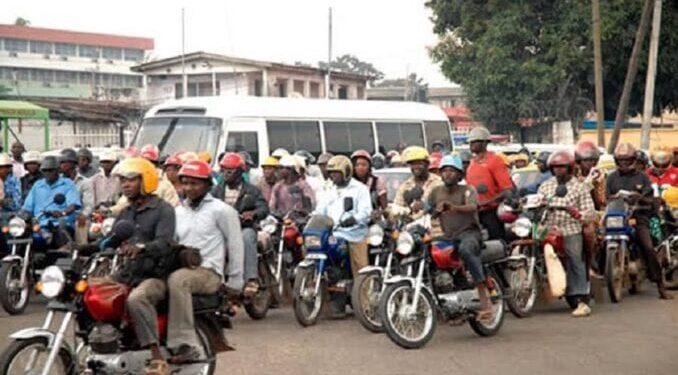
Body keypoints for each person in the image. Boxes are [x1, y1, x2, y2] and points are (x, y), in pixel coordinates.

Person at [167, 159, 243, 364]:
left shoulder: (222, 210)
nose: (189, 188)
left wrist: (236, 282)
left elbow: (236, 245)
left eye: (195, 183)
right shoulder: (177, 212)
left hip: (209, 272)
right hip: (183, 267)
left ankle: (185, 343)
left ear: (208, 185)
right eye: (185, 183)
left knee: (178, 280)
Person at [108, 157, 176, 374]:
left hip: (155, 275)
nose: (125, 185)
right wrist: (83, 247)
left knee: (137, 298)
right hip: (129, 273)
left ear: (145, 180)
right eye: (123, 180)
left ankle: (156, 355)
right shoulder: (126, 212)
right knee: (92, 292)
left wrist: (142, 248)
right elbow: (111, 239)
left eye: (131, 180)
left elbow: (165, 242)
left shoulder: (163, 209)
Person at [427, 154, 492, 321]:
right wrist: (418, 207)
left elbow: (473, 207)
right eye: (445, 171)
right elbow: (427, 208)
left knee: (466, 250)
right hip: (447, 235)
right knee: (427, 255)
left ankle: (484, 297)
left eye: (452, 171)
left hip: (469, 233)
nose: (448, 174)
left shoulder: (468, 189)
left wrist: (453, 207)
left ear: (459, 174)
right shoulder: (435, 191)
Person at [606, 143, 673, 299]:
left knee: (648, 247)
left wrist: (640, 198)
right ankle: (593, 284)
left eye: (627, 160)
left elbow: (651, 200)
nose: (624, 163)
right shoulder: (611, 177)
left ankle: (660, 286)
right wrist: (613, 199)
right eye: (621, 160)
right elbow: (606, 198)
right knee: (598, 242)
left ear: (633, 160)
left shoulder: (642, 177)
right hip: (617, 216)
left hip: (638, 216)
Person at [539, 150, 595, 317]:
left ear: (570, 168)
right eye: (555, 167)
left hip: (570, 228)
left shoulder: (580, 187)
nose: (558, 171)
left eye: (562, 167)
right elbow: (538, 201)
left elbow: (590, 211)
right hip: (547, 228)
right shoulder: (546, 185)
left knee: (574, 257)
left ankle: (582, 299)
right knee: (525, 246)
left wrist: (579, 214)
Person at [313, 155, 372, 317]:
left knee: (361, 269)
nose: (332, 176)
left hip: (354, 234)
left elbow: (366, 212)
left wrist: (355, 219)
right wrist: (312, 219)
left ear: (346, 171)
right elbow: (320, 211)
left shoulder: (360, 189)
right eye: (330, 173)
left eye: (336, 172)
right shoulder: (329, 190)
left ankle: (366, 306)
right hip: (333, 233)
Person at [212, 152, 269, 296]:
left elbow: (263, 208)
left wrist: (253, 214)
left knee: (247, 237)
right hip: (222, 231)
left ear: (240, 172)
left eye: (230, 170)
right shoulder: (215, 191)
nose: (226, 173)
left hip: (244, 228)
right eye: (224, 170)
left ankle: (251, 279)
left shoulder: (252, 190)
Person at [465, 127, 514, 239]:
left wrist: (486, 202)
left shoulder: (495, 161)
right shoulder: (472, 163)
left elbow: (507, 191)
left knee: (496, 245)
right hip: (474, 214)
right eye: (470, 142)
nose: (471, 145)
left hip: (491, 213)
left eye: (475, 141)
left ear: (484, 143)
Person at [21, 156, 81, 246]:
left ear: (57, 170)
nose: (47, 173)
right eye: (44, 171)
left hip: (60, 224)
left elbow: (73, 204)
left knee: (62, 230)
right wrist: (20, 216)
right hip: (39, 224)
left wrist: (62, 213)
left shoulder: (67, 183)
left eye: (50, 170)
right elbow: (27, 207)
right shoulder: (38, 185)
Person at [110, 144, 180, 215]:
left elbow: (173, 209)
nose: (147, 165)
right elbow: (123, 204)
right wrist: (109, 212)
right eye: (144, 162)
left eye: (150, 162)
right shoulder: (137, 182)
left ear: (157, 164)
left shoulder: (165, 185)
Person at [393, 146, 443, 217]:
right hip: (410, 225)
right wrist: (408, 209)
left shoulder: (438, 183)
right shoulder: (405, 186)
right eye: (413, 164)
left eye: (419, 163)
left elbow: (444, 206)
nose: (416, 167)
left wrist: (425, 206)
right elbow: (397, 207)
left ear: (427, 164)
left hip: (435, 225)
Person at [350, 150, 387, 216]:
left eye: (364, 165)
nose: (360, 168)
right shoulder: (349, 183)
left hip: (372, 221)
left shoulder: (377, 181)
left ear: (369, 167)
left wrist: (380, 213)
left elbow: (385, 208)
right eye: (357, 165)